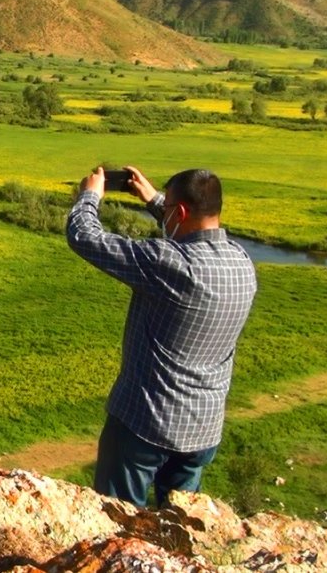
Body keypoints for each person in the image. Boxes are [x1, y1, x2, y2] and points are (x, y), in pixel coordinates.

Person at [66, 166, 257, 507]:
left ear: (180, 212)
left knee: (118, 516)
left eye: (168, 208)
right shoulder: (242, 262)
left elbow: (84, 236)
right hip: (203, 428)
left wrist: (90, 196)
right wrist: (155, 200)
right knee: (180, 518)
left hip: (145, 423)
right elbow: (189, 232)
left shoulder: (168, 263)